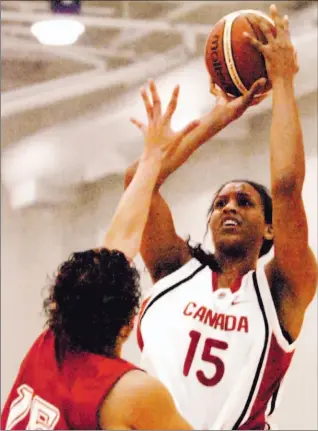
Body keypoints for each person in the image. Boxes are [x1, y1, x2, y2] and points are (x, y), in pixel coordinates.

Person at [126, 4, 317, 430]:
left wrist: (283, 79)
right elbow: (138, 186)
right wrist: (217, 118)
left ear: (270, 227)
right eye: (221, 202)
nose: (229, 206)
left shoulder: (280, 291)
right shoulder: (174, 272)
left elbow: (286, 186)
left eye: (245, 202)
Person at [0, 88, 199, 431]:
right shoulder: (130, 392)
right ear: (128, 324)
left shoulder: (48, 348)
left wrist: (152, 157)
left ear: (56, 307)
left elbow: (120, 239)